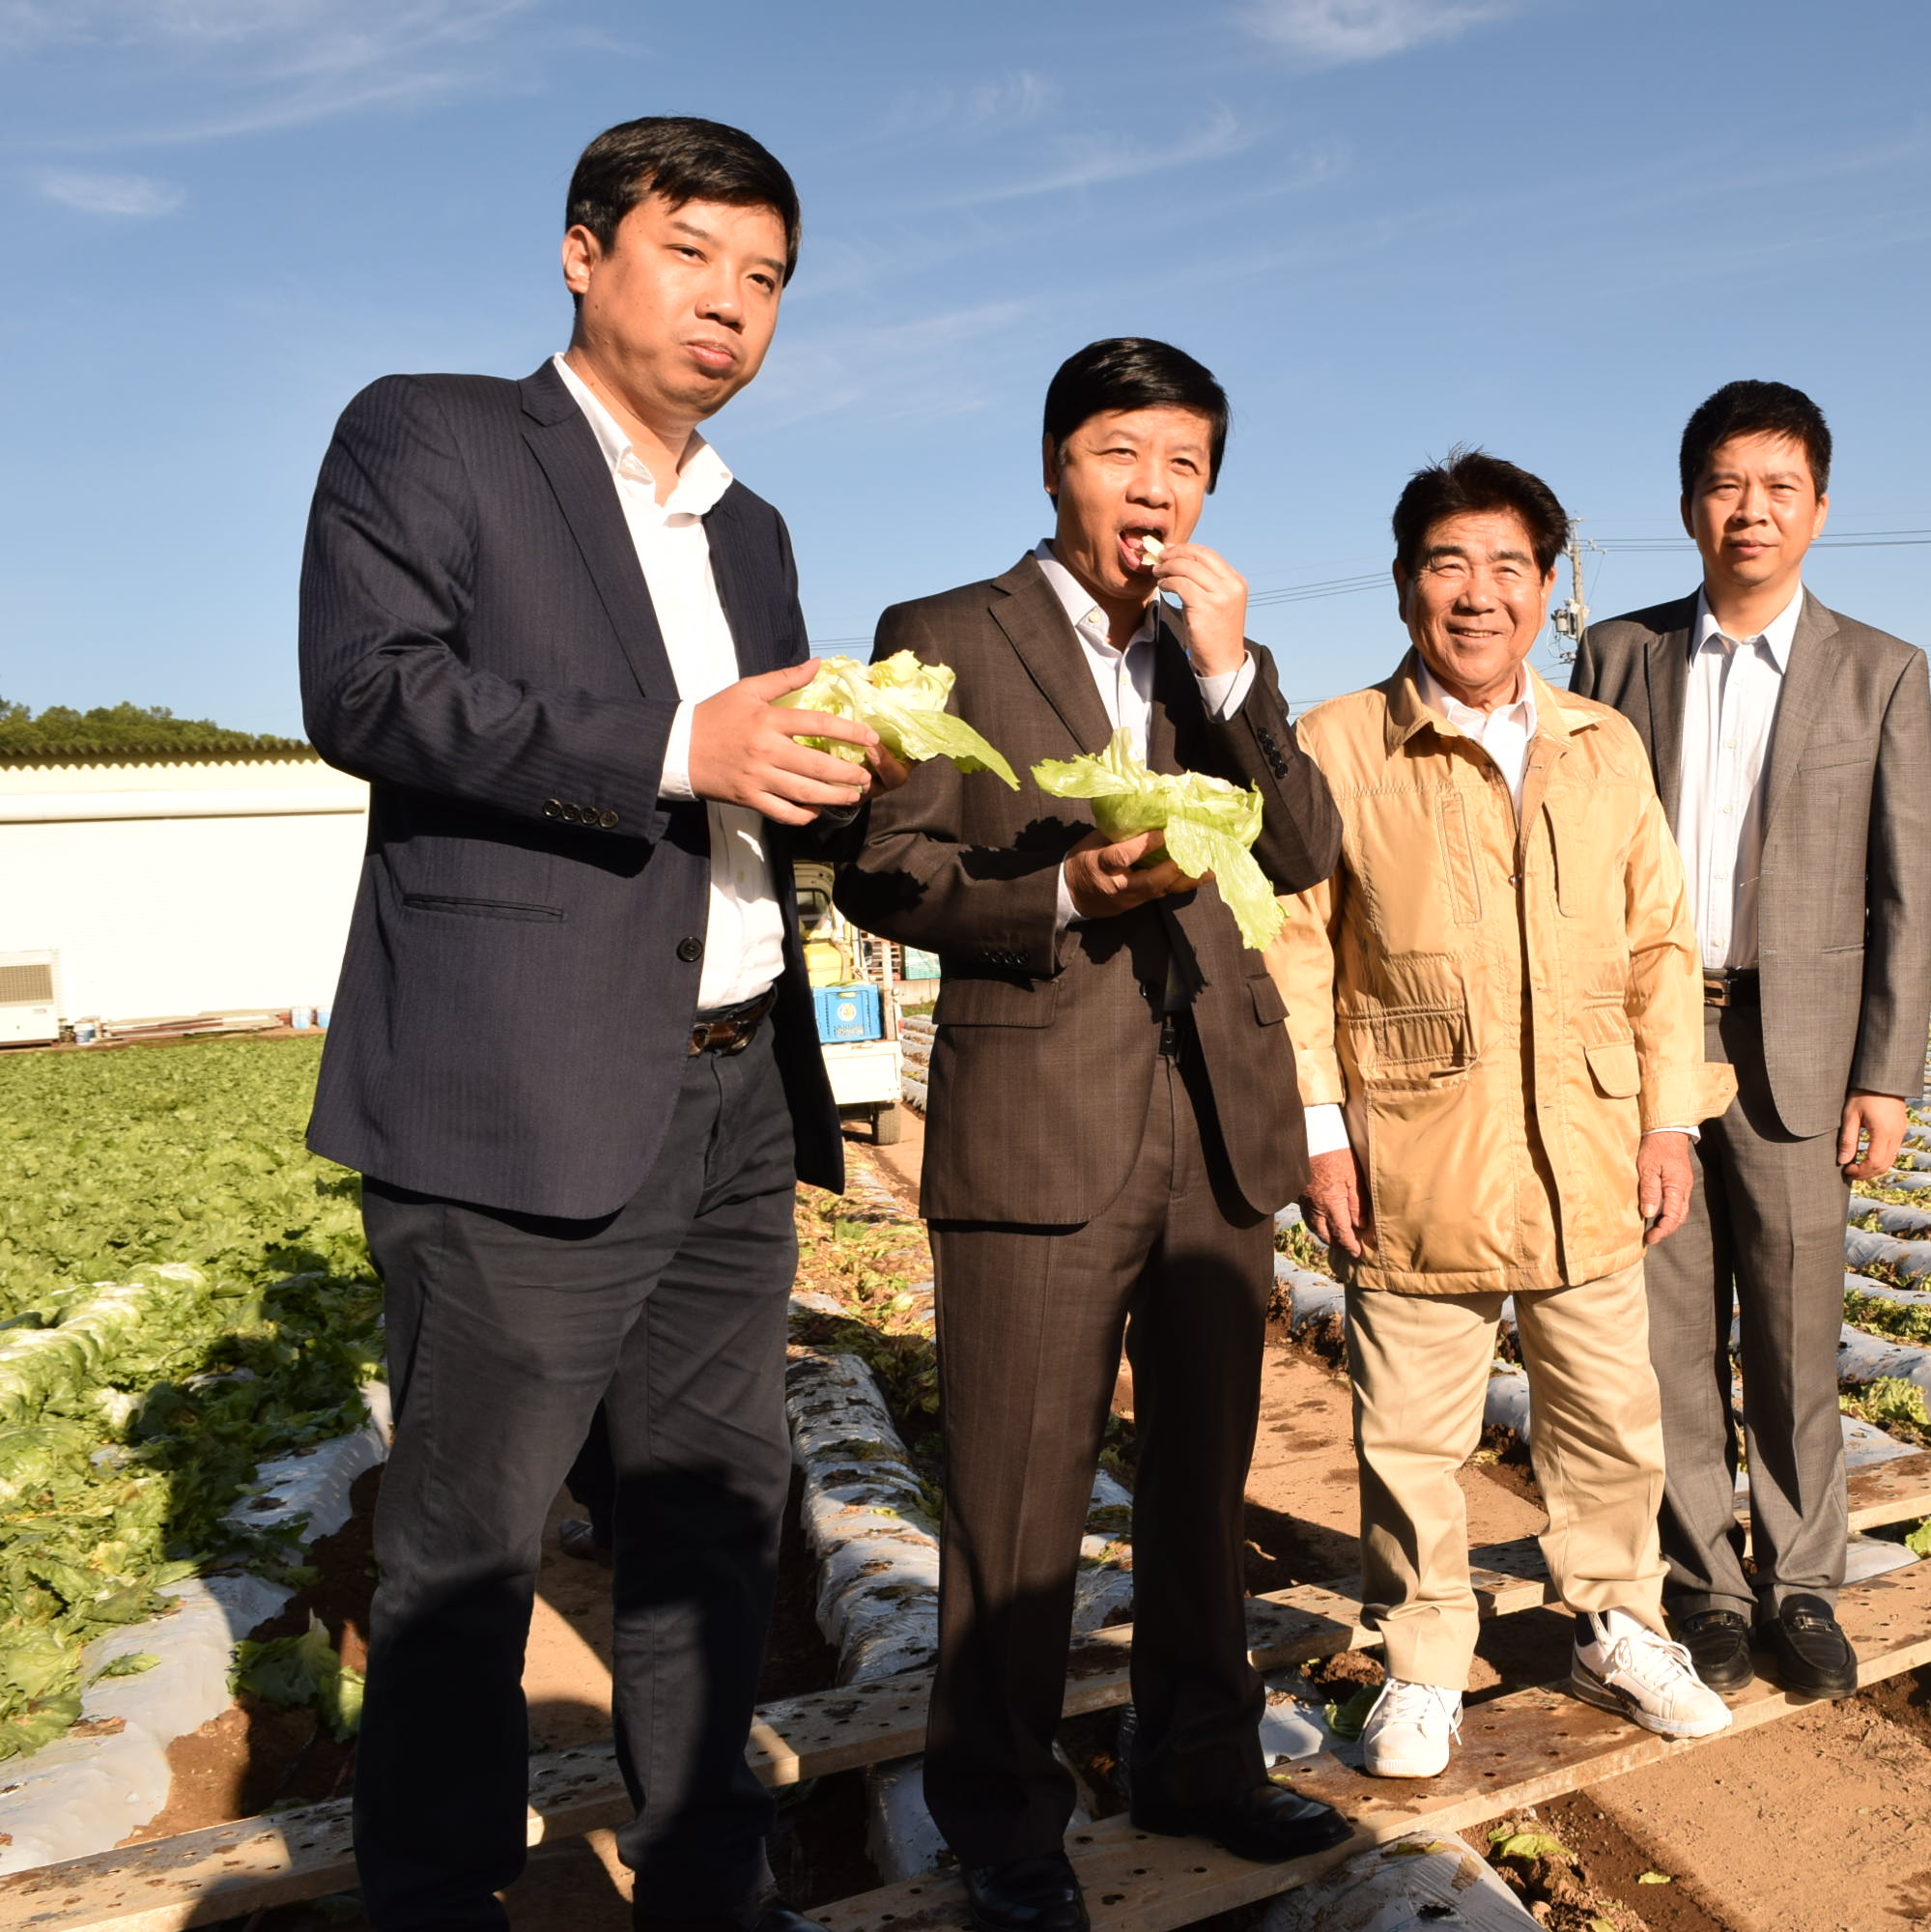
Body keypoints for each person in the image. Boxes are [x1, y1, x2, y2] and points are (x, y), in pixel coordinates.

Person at [300, 118, 900, 1932]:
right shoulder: (435, 434)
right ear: (584, 253)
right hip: (514, 1098)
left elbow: (767, 797)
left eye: (767, 277)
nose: (731, 305)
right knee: (468, 1552)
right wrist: (676, 747)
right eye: (692, 254)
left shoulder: (757, 525)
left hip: (728, 1098)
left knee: (713, 1525)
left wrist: (840, 782)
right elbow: (371, 688)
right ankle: (439, 1897)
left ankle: (708, 1880)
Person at [834, 339, 1349, 1932]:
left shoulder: (1215, 661)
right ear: (1060, 464)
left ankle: (1200, 1757)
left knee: (1199, 1478)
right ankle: (1001, 1817)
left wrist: (1243, 672)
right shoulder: (943, 635)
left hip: (1217, 1121)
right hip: (1038, 1117)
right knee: (1016, 1493)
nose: (1155, 490)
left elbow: (1310, 844)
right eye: (1126, 454)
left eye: (1186, 465)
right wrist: (1062, 889)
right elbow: (885, 869)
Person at [1276, 450, 1737, 1783]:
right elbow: (1298, 952)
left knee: (1607, 1412)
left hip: (1592, 1140)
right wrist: (1318, 1128)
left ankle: (1616, 1622)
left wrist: (1670, 1121)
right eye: (1447, 565)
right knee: (1412, 1427)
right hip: (1415, 1142)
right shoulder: (1338, 743)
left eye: (1507, 569)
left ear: (1546, 588)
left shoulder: (1603, 744)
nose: (1477, 597)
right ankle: (1424, 1661)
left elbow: (1659, 947)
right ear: (1407, 583)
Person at [1570, 381, 1931, 1700]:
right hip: (1651, 1043)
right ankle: (1704, 1590)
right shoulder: (1616, 657)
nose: (1751, 511)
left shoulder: (1881, 670)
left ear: (1820, 509)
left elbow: (1903, 892)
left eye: (1779, 487)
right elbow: (1576, 865)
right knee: (1667, 1336)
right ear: (1687, 506)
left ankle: (1803, 1583)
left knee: (1793, 1333)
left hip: (1805, 1049)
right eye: (1727, 485)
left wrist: (1887, 1074)